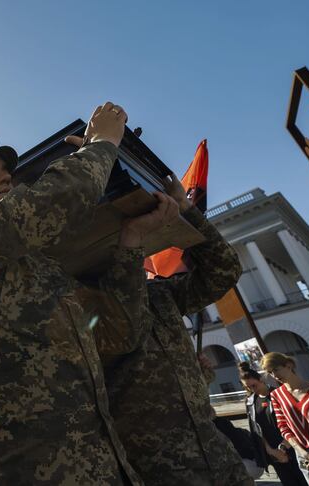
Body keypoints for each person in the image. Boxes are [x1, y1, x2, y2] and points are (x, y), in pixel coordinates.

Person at [0, 102, 174, 484]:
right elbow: (49, 204)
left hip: (98, 463)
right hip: (21, 467)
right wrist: (102, 143)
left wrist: (131, 244)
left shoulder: (42, 268)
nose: (5, 178)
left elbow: (120, 333)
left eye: (7, 171)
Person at [103, 176, 252, 485]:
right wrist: (130, 239)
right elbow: (123, 323)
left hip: (221, 462)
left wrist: (186, 209)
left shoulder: (161, 294)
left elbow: (223, 270)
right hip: (159, 473)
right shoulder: (85, 305)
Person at [239, 361, 307, 485]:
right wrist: (270, 450)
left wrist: (284, 448)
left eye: (253, 385)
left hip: (293, 447)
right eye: (248, 387)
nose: (252, 389)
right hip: (273, 453)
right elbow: (256, 430)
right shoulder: (250, 402)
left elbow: (293, 421)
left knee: (305, 481)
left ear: (260, 379)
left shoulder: (280, 394)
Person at [263, 352, 309, 485]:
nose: (274, 376)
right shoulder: (276, 395)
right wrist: (305, 454)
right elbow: (284, 427)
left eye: (276, 370)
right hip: (305, 457)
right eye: (270, 372)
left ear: (289, 365)